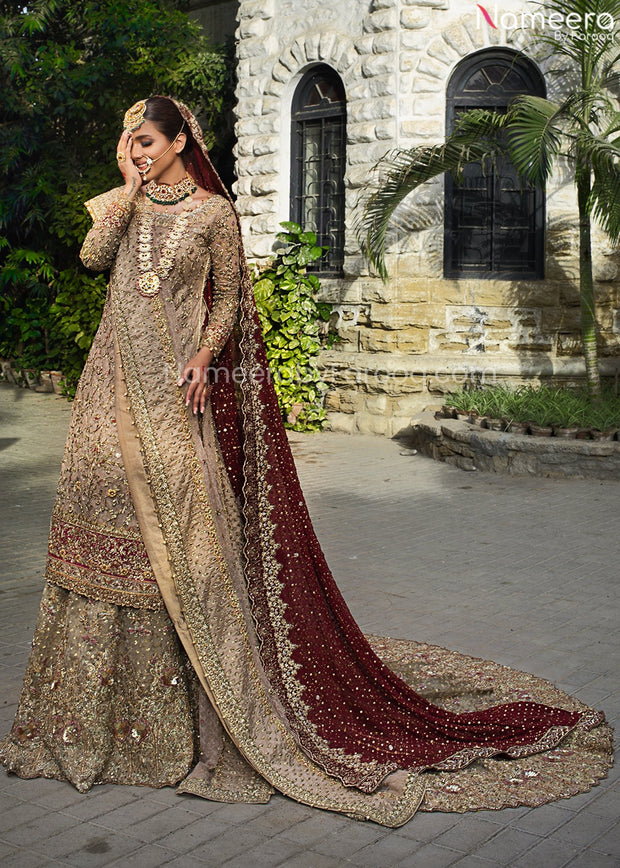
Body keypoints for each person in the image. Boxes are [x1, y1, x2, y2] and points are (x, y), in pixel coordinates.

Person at [0, 96, 612, 826]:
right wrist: (128, 194)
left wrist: (202, 353)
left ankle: (198, 713)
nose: (135, 150)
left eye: (147, 142)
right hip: (107, 391)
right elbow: (93, 259)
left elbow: (228, 301)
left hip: (171, 392)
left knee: (180, 540)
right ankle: (92, 726)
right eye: (129, 141)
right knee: (101, 537)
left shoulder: (213, 216)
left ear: (180, 143)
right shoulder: (120, 203)